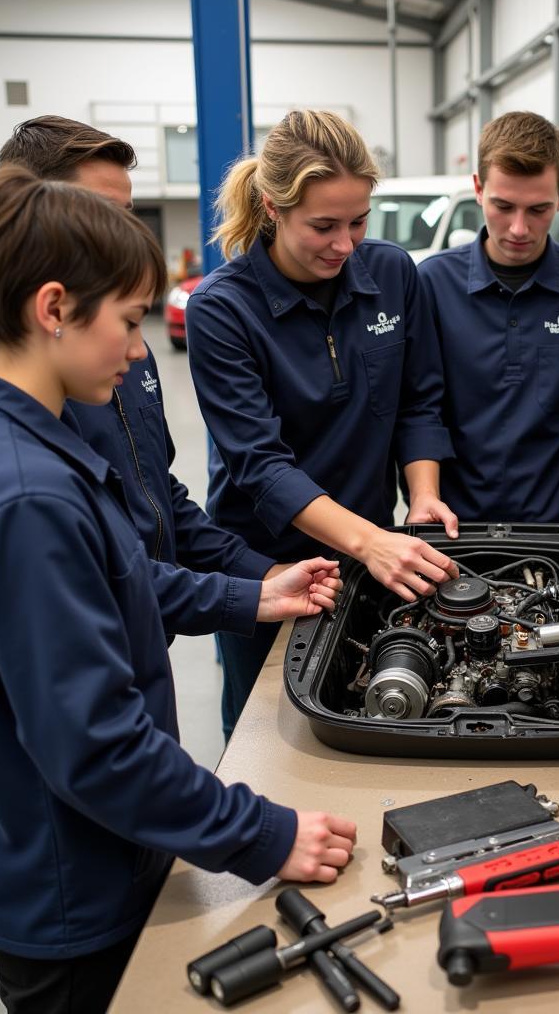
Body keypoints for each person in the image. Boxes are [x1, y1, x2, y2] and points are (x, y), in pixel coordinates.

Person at [0, 167, 356, 1014]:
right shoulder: (32, 493)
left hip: (105, 856)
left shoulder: (41, 453)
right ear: (53, 310)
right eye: (126, 322)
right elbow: (97, 747)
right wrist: (265, 835)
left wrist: (256, 597)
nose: (136, 349)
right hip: (75, 896)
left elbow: (121, 574)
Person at [185, 110, 460, 736]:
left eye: (358, 221)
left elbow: (419, 401)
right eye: (323, 226)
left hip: (367, 551)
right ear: (271, 207)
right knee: (263, 738)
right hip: (263, 565)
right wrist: (371, 541)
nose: (345, 244)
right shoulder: (222, 310)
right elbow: (261, 466)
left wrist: (421, 496)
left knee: (358, 708)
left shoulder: (392, 274)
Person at [0, 116, 298, 646]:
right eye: (99, 216)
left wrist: (261, 574)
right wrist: (243, 597)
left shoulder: (126, 358)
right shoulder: (28, 424)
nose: (124, 238)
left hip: (146, 640)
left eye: (128, 217)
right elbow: (97, 579)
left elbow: (160, 502)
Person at [417, 111, 559, 539]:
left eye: (538, 209)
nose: (519, 228)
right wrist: (424, 494)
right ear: (478, 190)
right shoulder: (432, 284)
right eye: (503, 206)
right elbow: (422, 408)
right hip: (456, 527)